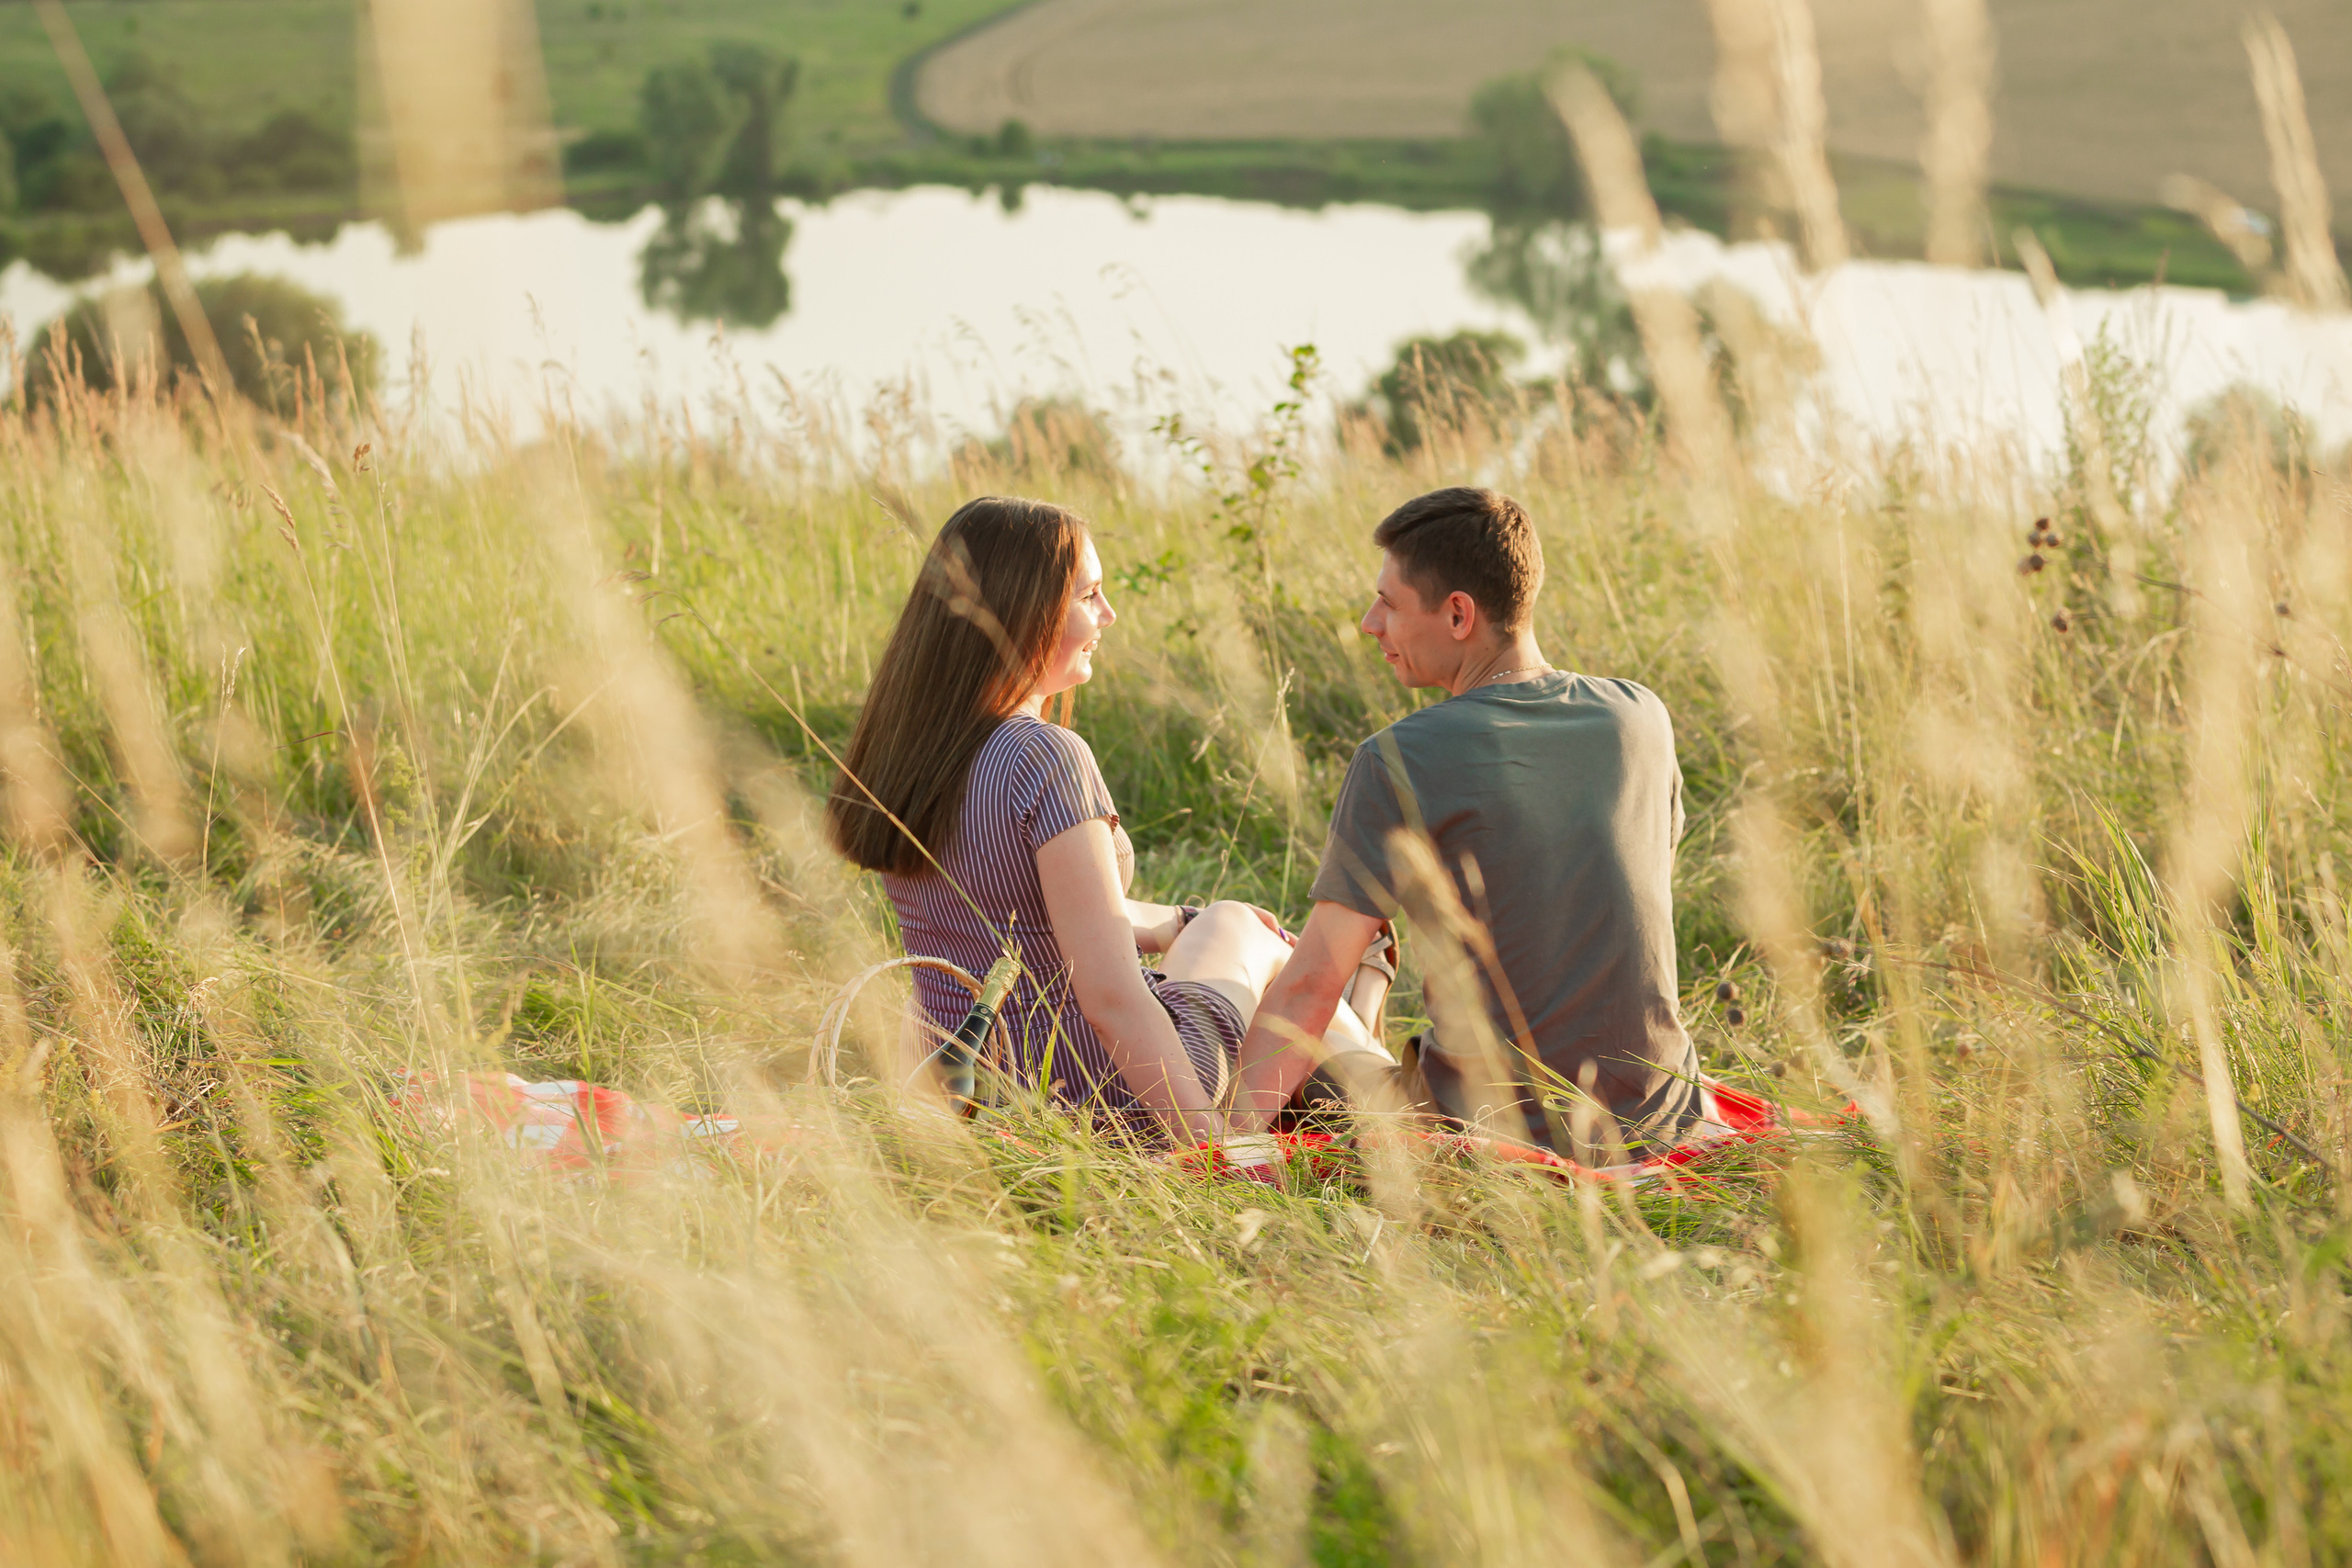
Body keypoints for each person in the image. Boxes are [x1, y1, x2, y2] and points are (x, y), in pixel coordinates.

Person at [822, 496, 1380, 1143]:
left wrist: (1168, 922)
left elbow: (1021, 907)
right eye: (1090, 595)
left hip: (975, 1089)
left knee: (1214, 928)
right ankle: (1383, 1082)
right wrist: (1211, 1151)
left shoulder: (907, 751)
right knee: (1240, 925)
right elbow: (1113, 1000)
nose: (1108, 615)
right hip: (1101, 1092)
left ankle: (1369, 1057)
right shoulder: (1046, 757)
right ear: (1023, 611)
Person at [1222, 486, 1707, 1172]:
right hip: (1660, 1119)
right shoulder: (1641, 717)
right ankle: (1373, 998)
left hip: (1487, 1130)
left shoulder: (1400, 756)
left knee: (1275, 999)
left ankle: (1365, 999)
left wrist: (1231, 1143)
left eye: (1388, 603)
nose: (1369, 622)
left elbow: (1308, 986)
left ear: (1458, 614)